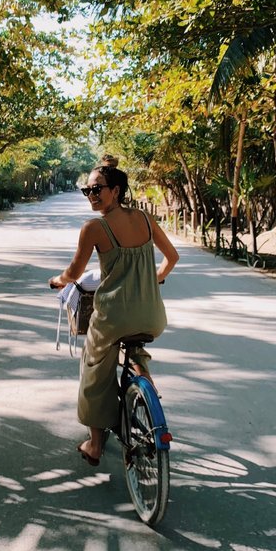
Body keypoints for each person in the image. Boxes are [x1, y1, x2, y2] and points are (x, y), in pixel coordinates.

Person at [49, 164, 179, 466]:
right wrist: (155, 277)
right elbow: (172, 257)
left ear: (115, 191)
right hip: (152, 314)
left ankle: (94, 444)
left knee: (94, 369)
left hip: (113, 317)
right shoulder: (146, 219)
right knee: (135, 351)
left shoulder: (95, 227)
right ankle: (149, 397)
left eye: (97, 189)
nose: (91, 195)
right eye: (87, 190)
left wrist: (58, 281)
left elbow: (74, 273)